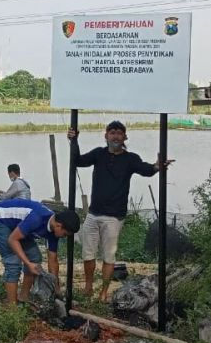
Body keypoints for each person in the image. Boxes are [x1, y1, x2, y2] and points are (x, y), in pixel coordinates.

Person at [68, 120, 172, 301]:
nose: (115, 136)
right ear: (106, 136)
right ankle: (88, 287)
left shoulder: (130, 159)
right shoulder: (98, 154)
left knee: (108, 256)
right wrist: (74, 141)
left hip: (114, 217)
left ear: (125, 137)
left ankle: (103, 293)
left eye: (119, 133)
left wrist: (157, 166)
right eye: (112, 132)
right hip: (93, 214)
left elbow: (147, 170)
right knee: (88, 254)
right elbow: (78, 161)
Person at [0, 198, 81, 305]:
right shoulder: (37, 219)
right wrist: (27, 263)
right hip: (0, 219)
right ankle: (12, 308)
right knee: (13, 262)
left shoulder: (54, 231)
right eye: (65, 234)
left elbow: (53, 260)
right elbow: (12, 240)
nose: (64, 237)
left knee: (35, 258)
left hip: (19, 226)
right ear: (58, 225)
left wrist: (56, 288)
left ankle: (23, 299)